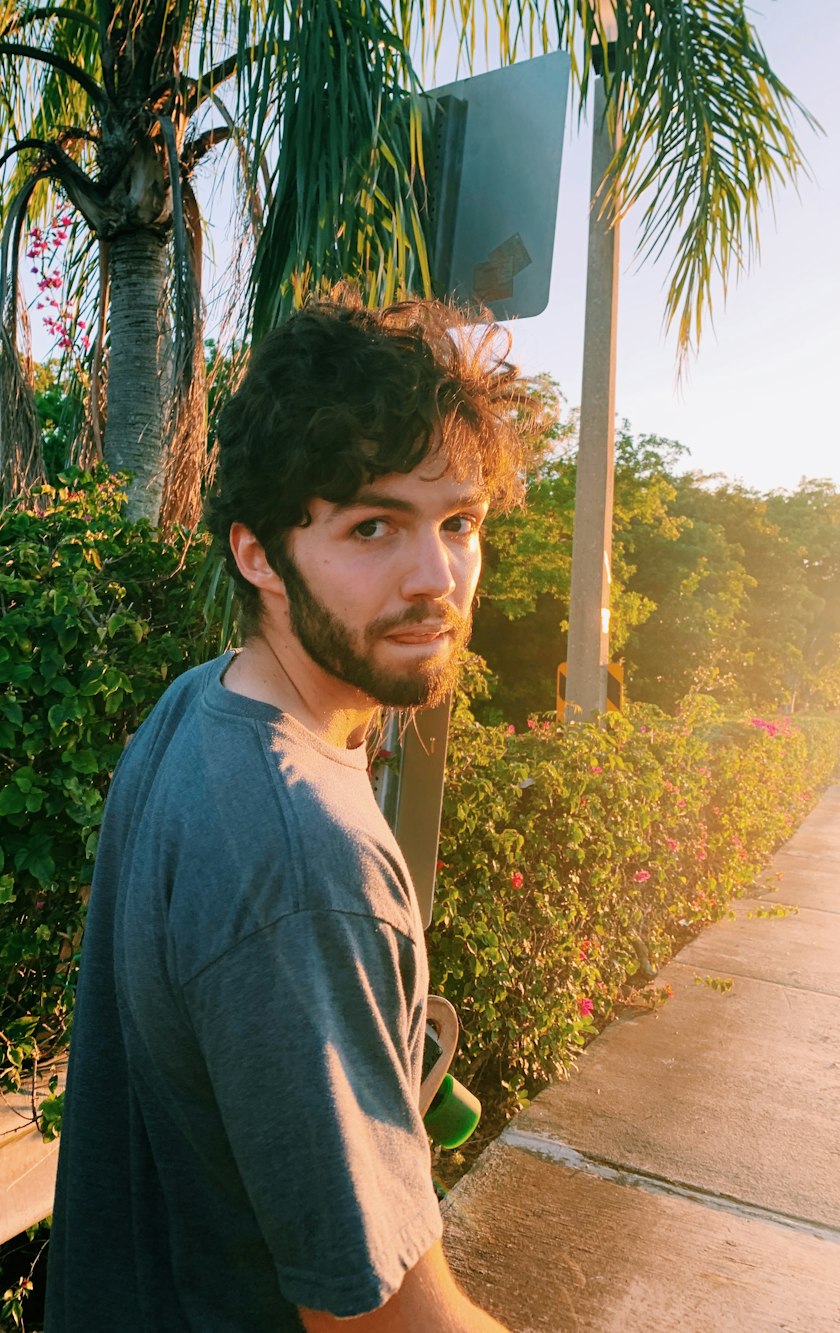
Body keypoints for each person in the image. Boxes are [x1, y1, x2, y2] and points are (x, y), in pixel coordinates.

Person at [44, 295, 542, 1331]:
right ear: (257, 552)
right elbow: (386, 1321)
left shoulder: (205, 700)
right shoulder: (303, 854)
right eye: (372, 525)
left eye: (459, 524)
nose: (435, 577)